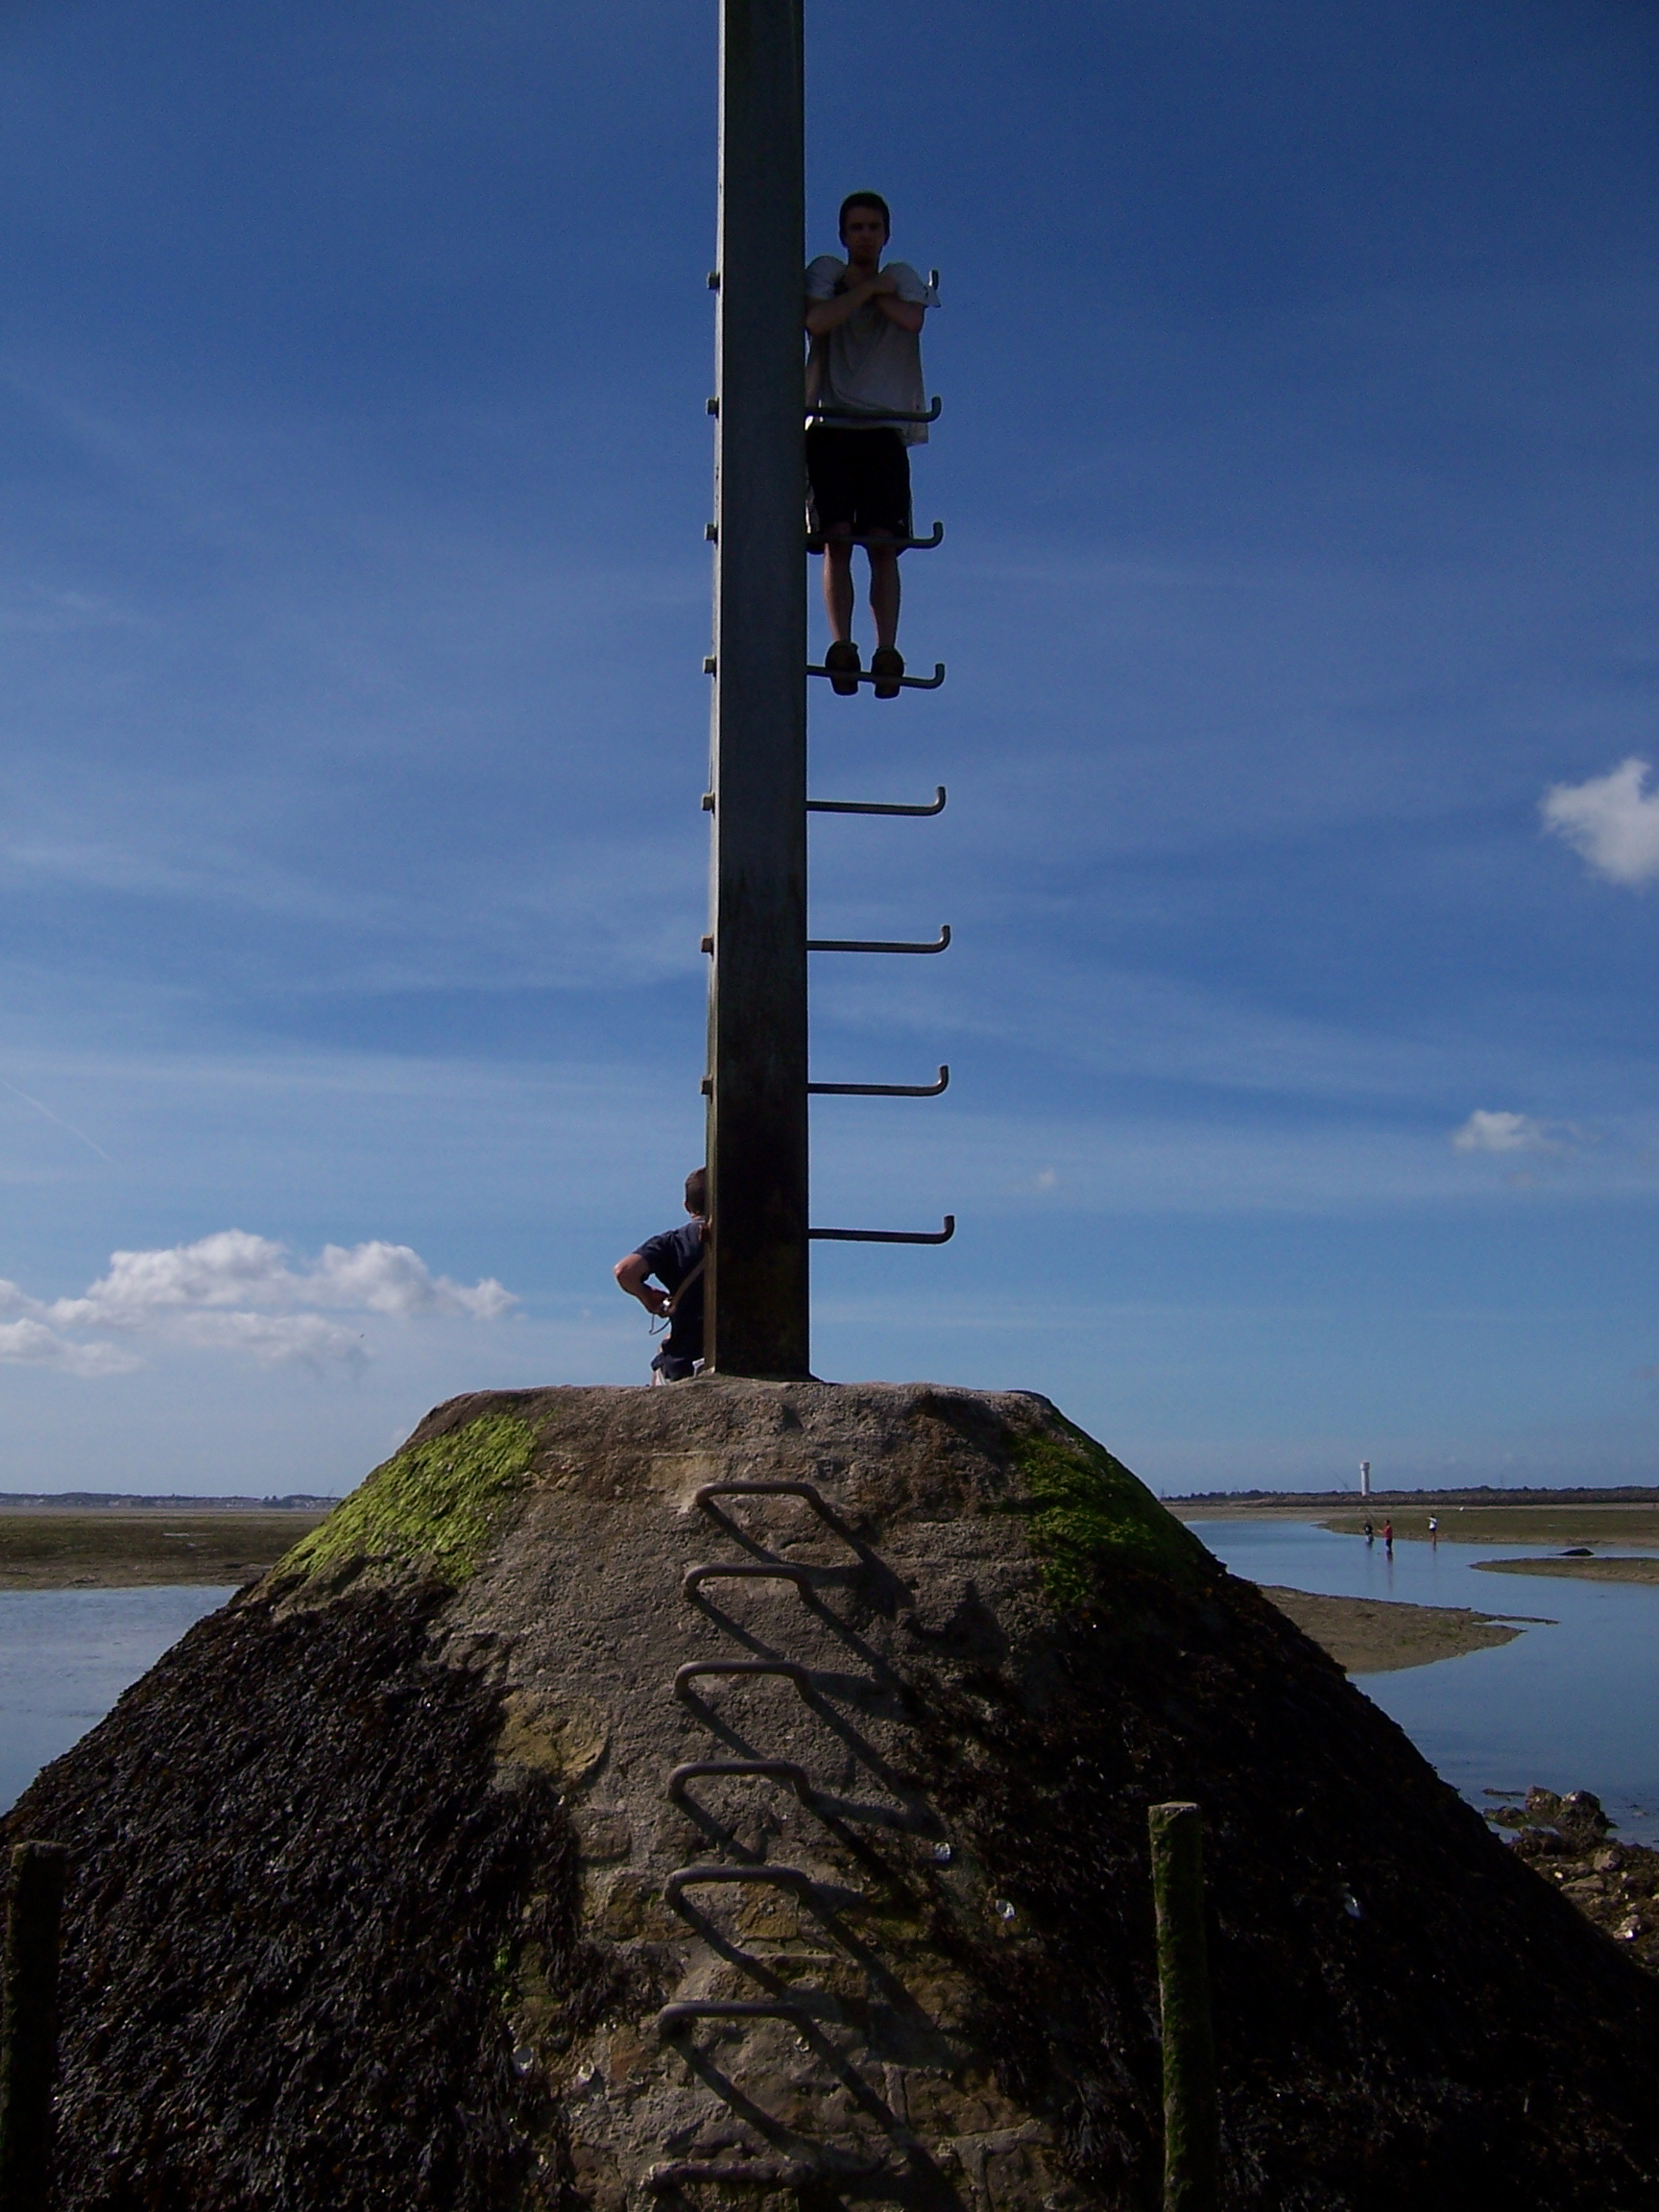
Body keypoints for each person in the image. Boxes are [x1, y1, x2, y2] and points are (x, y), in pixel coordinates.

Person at [805, 192, 934, 700]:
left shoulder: (901, 275)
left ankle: (886, 649)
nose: (864, 235)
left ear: (886, 234)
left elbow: (912, 319)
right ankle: (843, 645)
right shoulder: (825, 271)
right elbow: (816, 320)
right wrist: (866, 289)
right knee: (836, 539)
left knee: (884, 544)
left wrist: (872, 287)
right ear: (843, 234)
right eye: (856, 227)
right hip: (831, 424)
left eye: (873, 227)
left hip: (884, 428)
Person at [614, 1169, 707, 1382]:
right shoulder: (750, 1242)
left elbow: (625, 1271)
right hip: (748, 1354)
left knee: (663, 1351)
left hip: (685, 1360)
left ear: (687, 1206)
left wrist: (647, 1296)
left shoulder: (673, 1242)